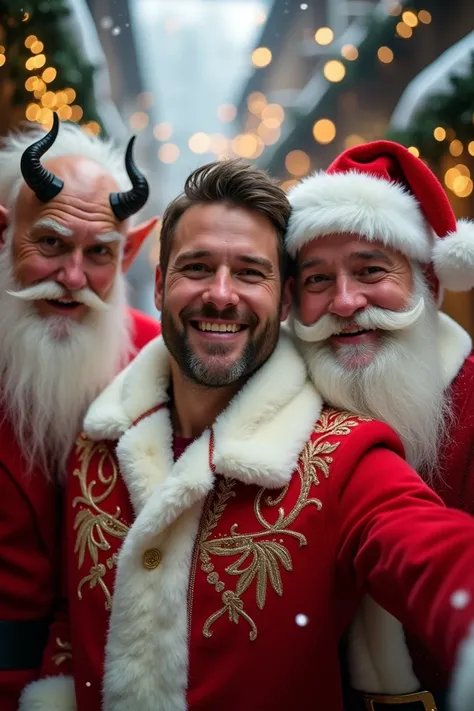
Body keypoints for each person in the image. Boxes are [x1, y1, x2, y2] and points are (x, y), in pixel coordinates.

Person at [18, 159, 474, 711]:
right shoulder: (96, 441)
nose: (221, 294)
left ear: (284, 300)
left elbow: (425, 544)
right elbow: (76, 614)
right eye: (197, 267)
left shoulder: (344, 451)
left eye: (251, 273)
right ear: (160, 284)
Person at [285, 139, 474, 708]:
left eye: (371, 270)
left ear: (429, 284)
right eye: (318, 280)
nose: (345, 302)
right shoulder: (280, 412)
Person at [0, 114, 160, 710]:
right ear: (2, 235)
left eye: (99, 253)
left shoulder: (163, 366)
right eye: (49, 243)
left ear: (130, 255)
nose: (72, 278)